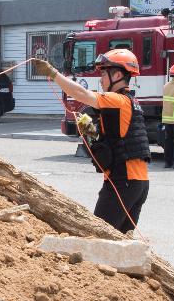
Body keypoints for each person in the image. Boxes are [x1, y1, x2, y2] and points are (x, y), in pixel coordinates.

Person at [34, 49, 150, 233]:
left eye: (104, 73)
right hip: (138, 183)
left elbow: (81, 94)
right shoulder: (130, 102)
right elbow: (120, 138)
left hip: (123, 182)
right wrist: (93, 133)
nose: (101, 79)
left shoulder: (117, 100)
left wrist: (53, 73)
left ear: (118, 75)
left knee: (98, 236)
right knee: (121, 241)